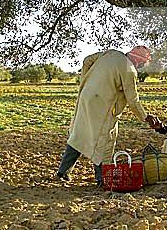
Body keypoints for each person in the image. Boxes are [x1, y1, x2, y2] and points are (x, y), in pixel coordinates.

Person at [56, 46, 160, 185]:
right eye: (143, 63)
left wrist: (86, 82)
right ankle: (102, 179)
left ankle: (63, 172)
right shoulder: (129, 69)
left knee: (79, 135)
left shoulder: (110, 53)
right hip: (103, 106)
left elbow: (87, 60)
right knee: (104, 140)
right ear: (138, 60)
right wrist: (145, 117)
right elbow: (132, 100)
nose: (141, 66)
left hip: (86, 98)